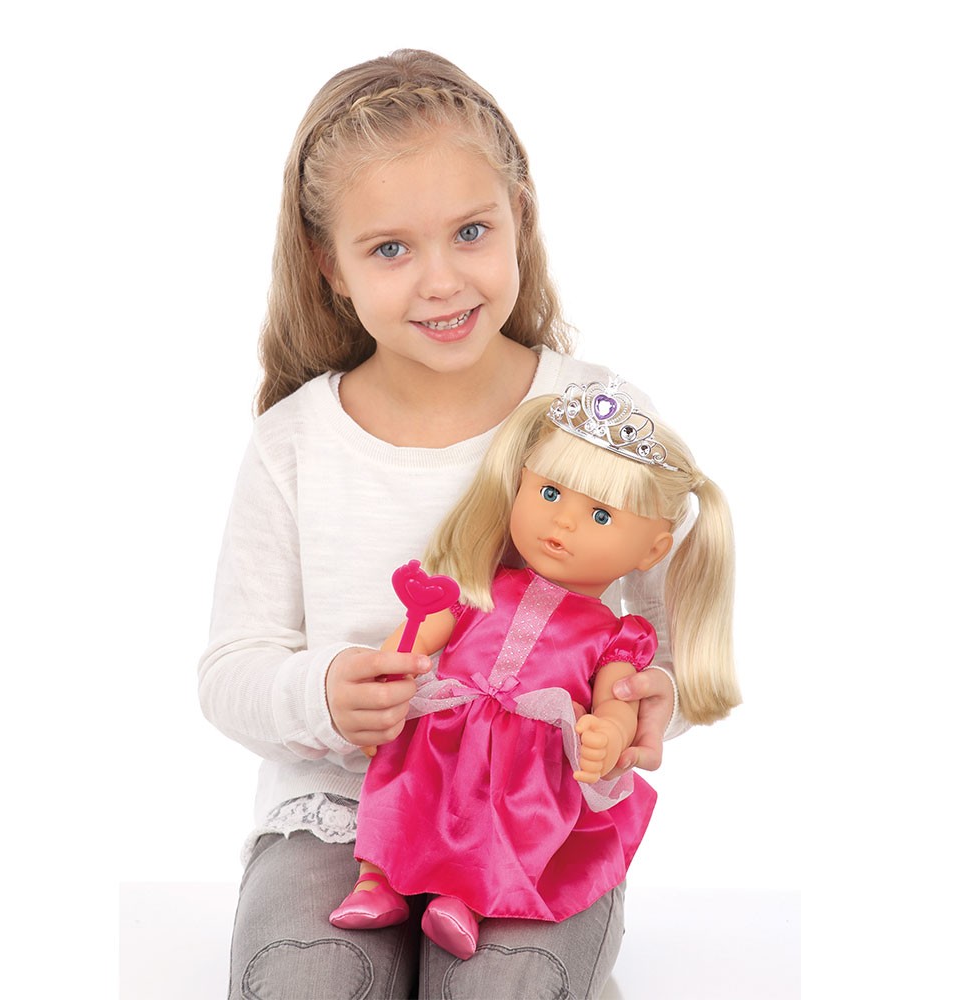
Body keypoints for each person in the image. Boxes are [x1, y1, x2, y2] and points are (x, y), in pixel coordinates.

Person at [199, 48, 695, 1000]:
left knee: (510, 988)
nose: (440, 281)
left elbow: (666, 634)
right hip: (341, 815)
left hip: (536, 815)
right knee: (301, 983)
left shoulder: (595, 417)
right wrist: (323, 694)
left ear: (521, 218)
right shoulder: (293, 442)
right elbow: (230, 670)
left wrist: (646, 702)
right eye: (390, 248)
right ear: (329, 264)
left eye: (471, 231)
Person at [330, 386, 740, 960]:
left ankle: (466, 899)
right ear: (520, 484)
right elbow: (418, 636)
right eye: (549, 493)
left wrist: (609, 733)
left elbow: (619, 697)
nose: (562, 522)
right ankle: (376, 879)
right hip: (444, 728)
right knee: (407, 795)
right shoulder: (483, 582)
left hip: (528, 759)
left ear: (653, 551)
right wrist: (386, 675)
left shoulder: (617, 635)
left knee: (504, 826)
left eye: (600, 515)